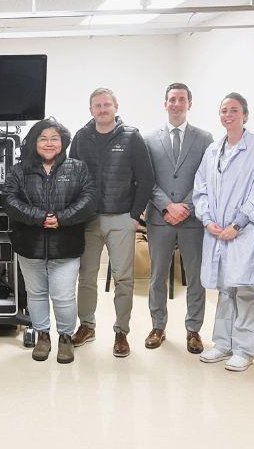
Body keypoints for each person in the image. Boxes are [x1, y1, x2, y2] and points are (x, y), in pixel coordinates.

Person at [193, 92, 254, 372]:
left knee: (246, 291)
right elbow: (200, 189)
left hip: (244, 232)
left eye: (234, 110)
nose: (228, 115)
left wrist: (237, 224)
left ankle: (244, 349)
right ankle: (223, 344)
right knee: (226, 288)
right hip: (216, 231)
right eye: (224, 110)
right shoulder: (213, 150)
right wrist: (207, 220)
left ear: (245, 115)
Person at [2, 119, 96, 364]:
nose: (49, 143)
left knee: (64, 296)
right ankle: (43, 336)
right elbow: (9, 201)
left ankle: (65, 338)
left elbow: (89, 200)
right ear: (34, 142)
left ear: (63, 142)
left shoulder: (78, 168)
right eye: (43, 138)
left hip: (66, 245)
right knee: (36, 294)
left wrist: (61, 219)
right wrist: (40, 218)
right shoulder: (18, 170)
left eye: (54, 138)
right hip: (29, 245)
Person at [69, 87, 154, 357]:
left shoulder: (132, 137)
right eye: (97, 105)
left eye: (107, 104)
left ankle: (121, 332)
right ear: (91, 110)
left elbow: (146, 179)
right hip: (89, 220)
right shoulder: (81, 138)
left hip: (121, 219)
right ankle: (87, 326)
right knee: (87, 276)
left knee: (123, 278)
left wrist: (134, 216)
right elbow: (71, 176)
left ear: (115, 106)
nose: (102, 109)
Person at [144, 83, 213, 353]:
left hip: (192, 219)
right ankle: (157, 326)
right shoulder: (149, 138)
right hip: (160, 219)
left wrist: (185, 206)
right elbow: (146, 179)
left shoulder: (205, 138)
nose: (176, 104)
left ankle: (194, 330)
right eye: (171, 99)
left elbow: (207, 178)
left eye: (181, 99)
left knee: (196, 277)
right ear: (165, 104)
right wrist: (166, 206)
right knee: (157, 276)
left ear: (189, 104)